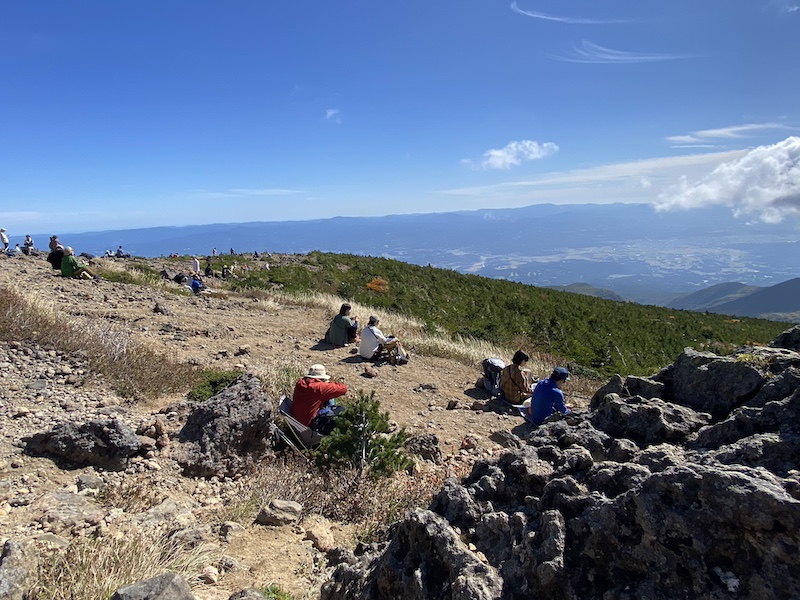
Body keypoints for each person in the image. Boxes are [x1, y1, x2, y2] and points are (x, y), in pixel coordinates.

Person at [291, 364, 347, 435]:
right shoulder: (318, 388)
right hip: (310, 425)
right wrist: (328, 384)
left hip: (298, 421)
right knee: (342, 409)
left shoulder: (300, 382)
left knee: (328, 398)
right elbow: (343, 389)